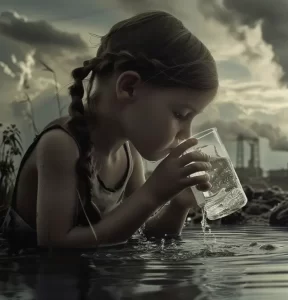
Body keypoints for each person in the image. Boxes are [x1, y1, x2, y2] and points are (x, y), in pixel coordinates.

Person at [1, 11, 219, 250]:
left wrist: (178, 206)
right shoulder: (61, 145)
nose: (186, 134)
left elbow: (145, 234)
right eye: (180, 115)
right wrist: (152, 193)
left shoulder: (128, 154)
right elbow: (55, 246)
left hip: (90, 281)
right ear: (129, 87)